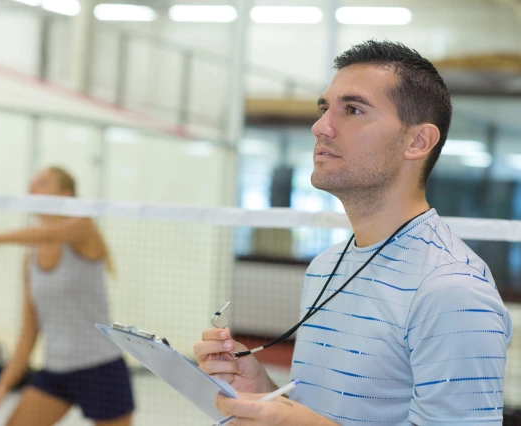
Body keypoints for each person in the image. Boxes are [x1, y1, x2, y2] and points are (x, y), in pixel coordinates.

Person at [194, 40, 512, 425]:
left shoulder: (451, 289)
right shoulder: (326, 266)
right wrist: (258, 389)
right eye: (324, 108)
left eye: (353, 109)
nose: (320, 126)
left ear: (418, 142)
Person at [0, 167, 134, 426]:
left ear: (65, 194)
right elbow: (29, 332)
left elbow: (48, 233)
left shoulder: (84, 227)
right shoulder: (30, 258)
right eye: (31, 184)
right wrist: (1, 388)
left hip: (100, 369)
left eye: (42, 183)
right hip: (55, 371)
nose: (33, 190)